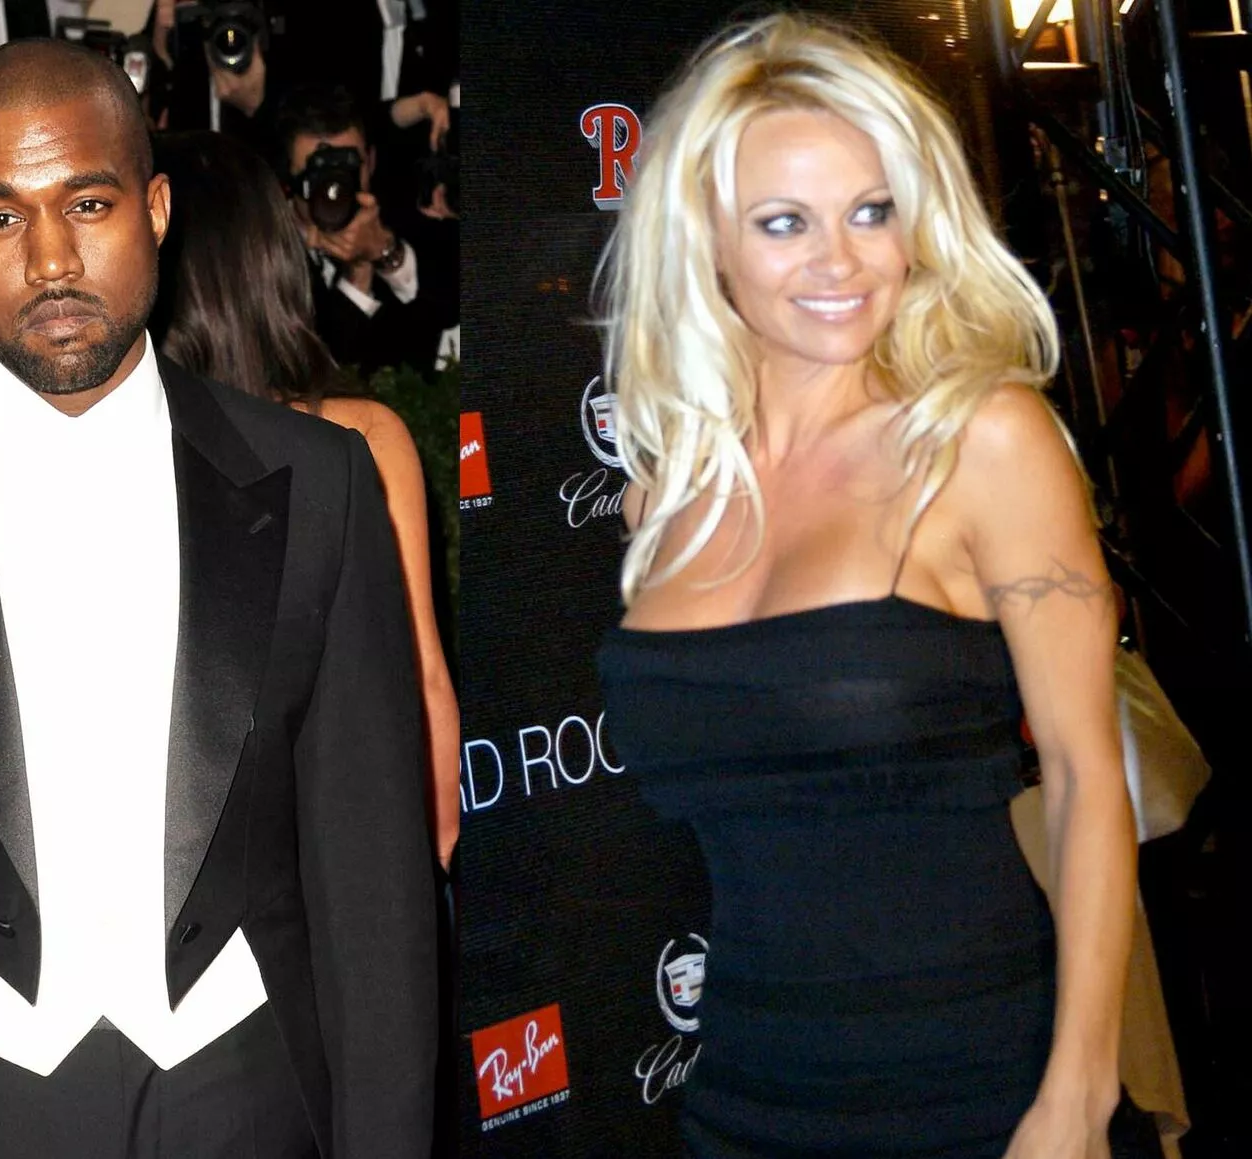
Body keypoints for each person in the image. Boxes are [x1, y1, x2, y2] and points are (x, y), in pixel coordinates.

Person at [0, 37, 437, 1158]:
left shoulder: (317, 482)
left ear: (155, 209)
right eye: (0, 218)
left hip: (246, 1091)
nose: (51, 259)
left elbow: (375, 883)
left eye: (88, 204)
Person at [593, 16, 1136, 1158]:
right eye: (784, 222)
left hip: (977, 1090)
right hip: (745, 1095)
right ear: (707, 243)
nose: (839, 263)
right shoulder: (662, 499)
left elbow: (1089, 777)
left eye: (872, 211)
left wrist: (1075, 1101)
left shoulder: (983, 441)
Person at [152, 129, 459, 868]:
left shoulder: (112, 452)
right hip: (349, 856)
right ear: (274, 260)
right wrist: (426, 866)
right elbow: (422, 682)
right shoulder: (361, 436)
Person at [276, 82, 450, 377]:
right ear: (289, 182)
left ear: (370, 162)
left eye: (346, 167)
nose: (334, 188)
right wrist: (357, 275)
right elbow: (311, 376)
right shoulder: (265, 252)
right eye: (318, 173)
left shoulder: (406, 214)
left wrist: (385, 252)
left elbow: (444, 318)